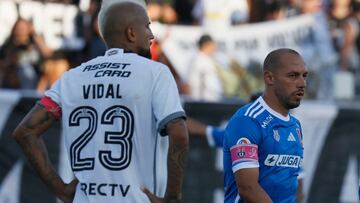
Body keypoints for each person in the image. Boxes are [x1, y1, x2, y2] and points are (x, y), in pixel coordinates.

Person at [12, 1, 189, 203]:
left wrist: (59, 188)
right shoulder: (155, 72)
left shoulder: (72, 77)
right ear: (131, 33)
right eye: (147, 26)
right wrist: (173, 198)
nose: (151, 35)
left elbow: (25, 131)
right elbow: (179, 134)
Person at [223, 48, 307, 202]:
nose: (302, 83)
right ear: (269, 78)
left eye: (304, 76)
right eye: (293, 76)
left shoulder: (295, 125)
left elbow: (292, 183)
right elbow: (248, 188)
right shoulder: (247, 120)